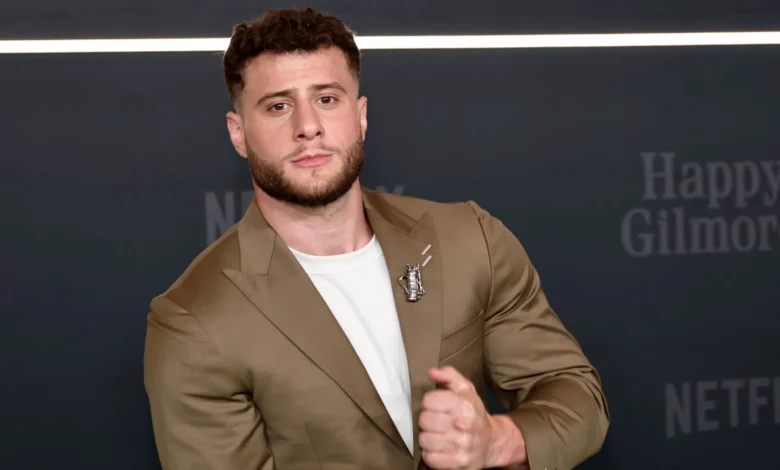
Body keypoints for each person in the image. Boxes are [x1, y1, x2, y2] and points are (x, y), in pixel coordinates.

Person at [143, 7, 609, 470]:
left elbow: (576, 396)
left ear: (361, 115)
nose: (308, 126)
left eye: (327, 99)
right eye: (279, 106)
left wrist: (497, 441)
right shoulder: (195, 323)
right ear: (238, 133)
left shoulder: (469, 239)